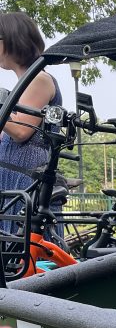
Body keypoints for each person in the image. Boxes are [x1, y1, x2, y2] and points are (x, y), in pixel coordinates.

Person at [0, 13, 62, 236]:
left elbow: (21, 131)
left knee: (26, 250)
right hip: (14, 177)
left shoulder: (39, 79)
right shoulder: (24, 82)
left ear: (11, 40)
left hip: (26, 177)